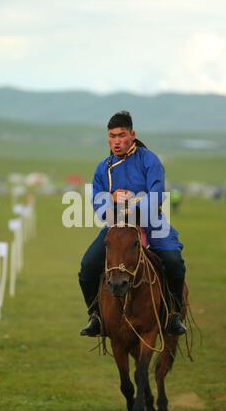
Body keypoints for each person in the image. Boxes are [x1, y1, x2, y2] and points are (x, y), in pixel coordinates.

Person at [79, 111, 187, 337]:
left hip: (150, 222)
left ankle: (174, 314)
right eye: (112, 136)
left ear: (132, 135)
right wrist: (111, 199)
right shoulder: (103, 167)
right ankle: (96, 316)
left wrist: (132, 203)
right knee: (88, 266)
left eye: (121, 135)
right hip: (117, 225)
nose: (116, 141)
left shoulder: (149, 160)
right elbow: (97, 200)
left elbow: (156, 194)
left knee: (174, 261)